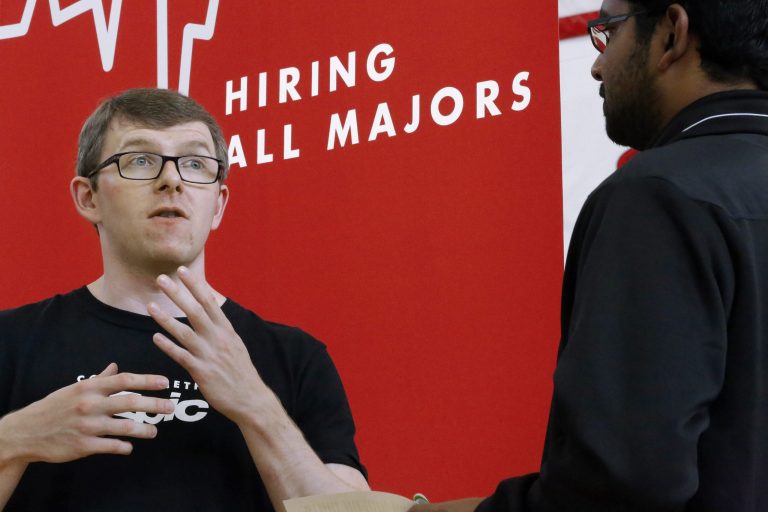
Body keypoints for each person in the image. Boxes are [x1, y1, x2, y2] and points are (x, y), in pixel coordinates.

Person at [413, 0, 768, 510]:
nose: (598, 64)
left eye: (609, 32)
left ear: (672, 33)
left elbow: (623, 481)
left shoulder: (657, 195)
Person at [0, 88, 369, 511]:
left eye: (194, 164)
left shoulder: (294, 357)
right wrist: (14, 439)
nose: (172, 180)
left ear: (218, 205)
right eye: (140, 160)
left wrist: (256, 405)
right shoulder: (10, 343)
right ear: (89, 197)